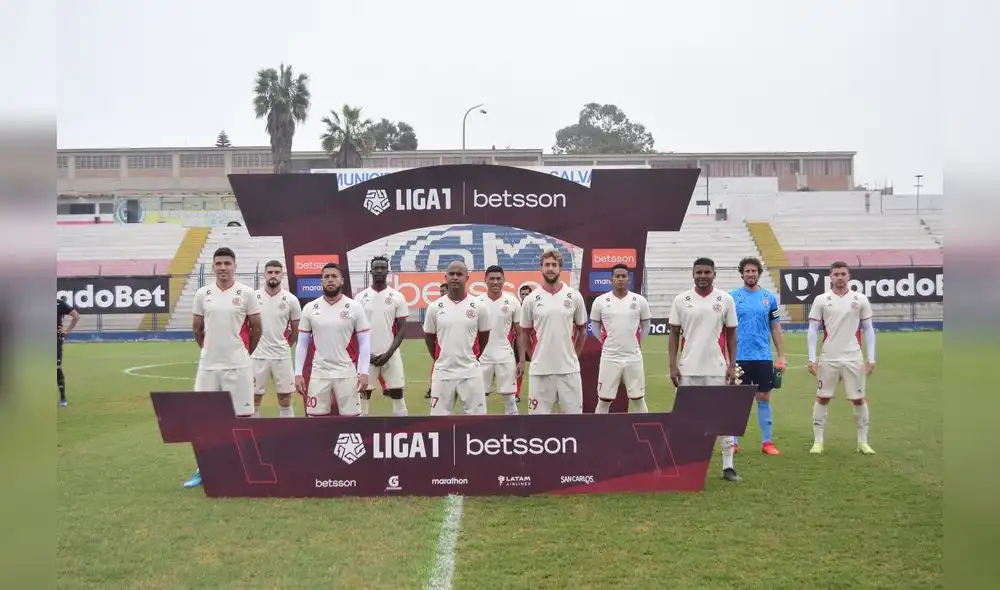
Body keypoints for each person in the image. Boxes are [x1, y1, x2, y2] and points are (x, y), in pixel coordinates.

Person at [184, 247, 263, 489]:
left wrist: (243, 353)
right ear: (213, 267)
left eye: (227, 263)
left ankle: (245, 466)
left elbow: (256, 328)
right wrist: (209, 350)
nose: (223, 268)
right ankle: (203, 469)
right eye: (218, 263)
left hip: (238, 365)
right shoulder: (202, 293)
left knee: (243, 417)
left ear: (234, 266)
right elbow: (197, 329)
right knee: (205, 419)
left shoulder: (246, 293)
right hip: (208, 366)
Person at [667, 257, 741, 483]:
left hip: (716, 368)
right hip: (688, 368)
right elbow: (673, 334)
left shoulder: (725, 299)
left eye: (706, 272)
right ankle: (686, 465)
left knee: (722, 418)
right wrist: (672, 365)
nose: (702, 276)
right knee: (687, 419)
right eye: (698, 272)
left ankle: (728, 466)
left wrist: (731, 364)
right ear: (692, 274)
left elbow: (731, 335)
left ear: (714, 274)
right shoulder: (681, 300)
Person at [807, 261, 876, 456]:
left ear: (849, 276)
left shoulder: (860, 299)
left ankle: (863, 442)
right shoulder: (821, 299)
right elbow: (812, 330)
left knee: (859, 399)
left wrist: (871, 358)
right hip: (829, 357)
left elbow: (868, 329)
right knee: (822, 398)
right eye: (836, 274)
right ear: (830, 277)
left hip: (853, 357)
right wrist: (812, 358)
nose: (839, 277)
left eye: (843, 274)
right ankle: (818, 441)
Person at [293, 263, 371, 418]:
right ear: (321, 281)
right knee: (315, 419)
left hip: (347, 372)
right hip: (319, 372)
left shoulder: (355, 307)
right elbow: (302, 343)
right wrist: (297, 373)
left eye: (334, 276)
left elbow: (365, 343)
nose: (330, 280)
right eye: (326, 277)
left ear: (341, 281)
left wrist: (364, 371)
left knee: (352, 420)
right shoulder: (310, 308)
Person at [730, 256, 787, 455]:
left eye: (754, 271)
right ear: (742, 274)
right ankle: (733, 442)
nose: (751, 274)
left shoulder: (769, 298)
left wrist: (782, 356)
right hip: (739, 356)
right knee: (737, 400)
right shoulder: (732, 297)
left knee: (764, 397)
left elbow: (776, 328)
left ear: (759, 273)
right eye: (747, 271)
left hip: (763, 356)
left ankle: (767, 443)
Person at [518, 250, 588, 414]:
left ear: (560, 268)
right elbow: (524, 333)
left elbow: (582, 331)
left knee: (573, 423)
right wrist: (533, 355)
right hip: (541, 371)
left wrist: (573, 355)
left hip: (568, 371)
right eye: (547, 265)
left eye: (554, 265)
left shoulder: (574, 296)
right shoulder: (531, 299)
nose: (550, 268)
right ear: (541, 268)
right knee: (538, 425)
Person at [423, 261, 490, 415]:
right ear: (445, 277)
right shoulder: (435, 307)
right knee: (439, 422)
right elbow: (429, 338)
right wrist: (441, 358)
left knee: (476, 422)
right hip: (443, 372)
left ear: (467, 277)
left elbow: (484, 337)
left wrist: (471, 357)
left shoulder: (479, 306)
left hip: (471, 372)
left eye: (459, 274)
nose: (455, 277)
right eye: (451, 274)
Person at [589, 264, 651, 413]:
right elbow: (595, 326)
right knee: (604, 399)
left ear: (628, 279)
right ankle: (598, 433)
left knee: (638, 398)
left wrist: (635, 342)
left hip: (633, 356)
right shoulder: (600, 301)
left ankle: (643, 433)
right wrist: (606, 343)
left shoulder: (639, 300)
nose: (621, 279)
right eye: (617, 276)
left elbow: (646, 325)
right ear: (611, 279)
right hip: (610, 356)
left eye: (624, 276)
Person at [357, 255, 409, 417]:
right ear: (371, 271)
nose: (379, 271)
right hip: (367, 356)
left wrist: (388, 353)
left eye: (382, 268)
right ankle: (362, 429)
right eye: (376, 268)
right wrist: (365, 353)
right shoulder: (360, 298)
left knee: (397, 393)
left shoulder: (397, 297)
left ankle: (402, 429)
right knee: (363, 394)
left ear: (387, 271)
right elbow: (355, 330)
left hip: (390, 354)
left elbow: (402, 329)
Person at [250, 260, 302, 418]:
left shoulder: (291, 300)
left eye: (276, 272)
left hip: (281, 355)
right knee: (254, 398)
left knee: (285, 398)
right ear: (264, 274)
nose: (273, 275)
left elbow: (296, 329)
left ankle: (288, 436)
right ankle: (254, 436)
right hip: (257, 355)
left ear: (282, 275)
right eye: (270, 272)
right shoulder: (253, 297)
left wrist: (286, 343)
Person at [478, 266, 522, 415]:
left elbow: (520, 333)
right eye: (492, 279)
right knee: (478, 401)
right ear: (485, 280)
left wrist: (521, 360)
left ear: (504, 280)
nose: (495, 282)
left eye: (498, 279)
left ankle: (515, 435)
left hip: (505, 355)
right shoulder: (477, 302)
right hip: (482, 357)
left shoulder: (512, 302)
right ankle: (477, 434)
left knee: (510, 401)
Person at [425, 282, 449, 400]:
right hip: (440, 346)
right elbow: (429, 333)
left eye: (443, 291)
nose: (441, 294)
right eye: (440, 292)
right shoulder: (436, 307)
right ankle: (432, 389)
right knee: (435, 367)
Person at [512, 284, 533, 403]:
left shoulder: (536, 307)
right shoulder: (516, 308)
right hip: (519, 342)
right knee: (519, 368)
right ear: (519, 295)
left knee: (537, 367)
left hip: (533, 342)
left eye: (527, 294)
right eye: (523, 294)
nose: (524, 296)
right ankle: (516, 394)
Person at [57, 297, 80, 407]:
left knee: (57, 367)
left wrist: (66, 331)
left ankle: (63, 397)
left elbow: (76, 315)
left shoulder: (59, 303)